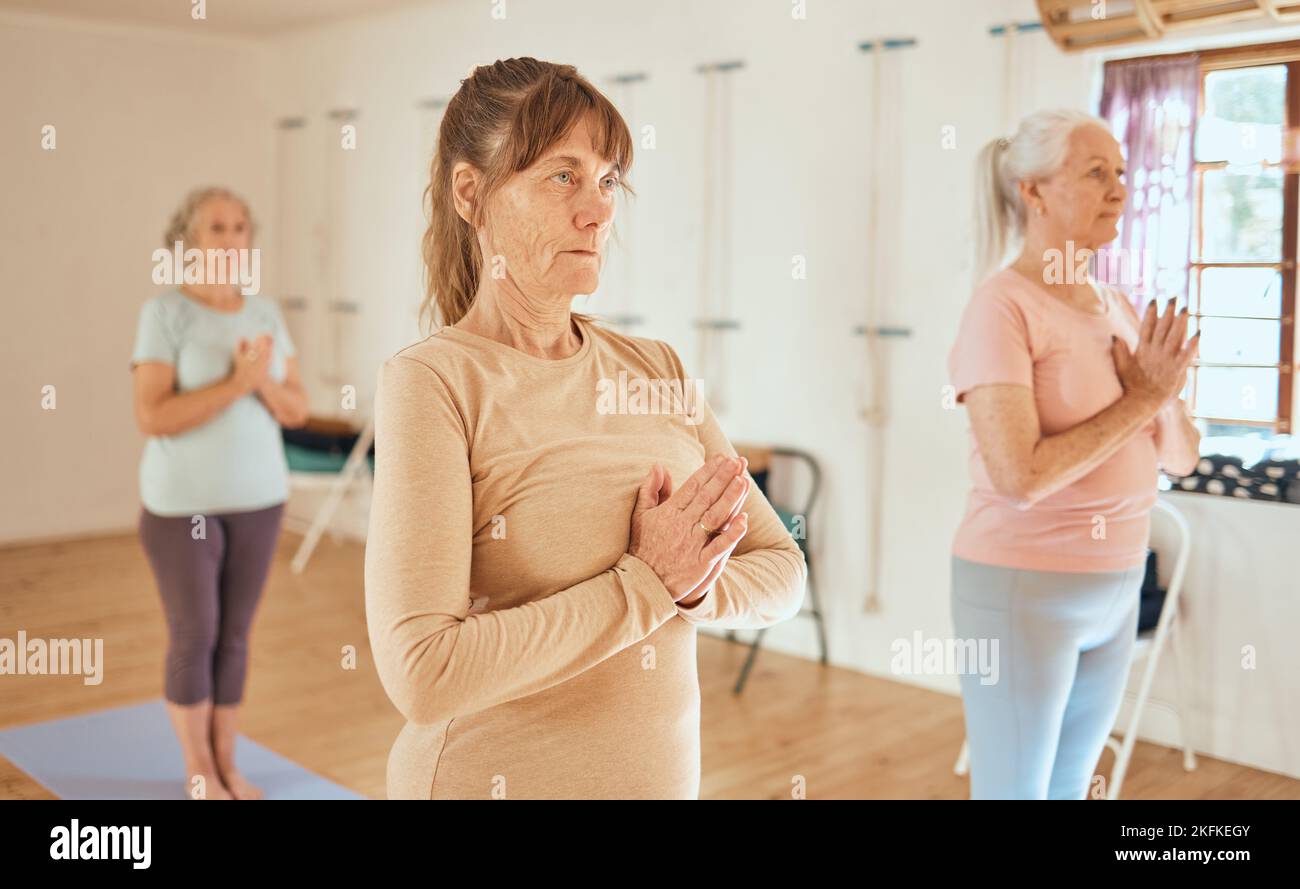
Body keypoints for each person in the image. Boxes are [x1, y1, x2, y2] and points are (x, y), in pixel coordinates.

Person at [364, 58, 807, 799]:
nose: (598, 211)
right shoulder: (434, 382)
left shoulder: (655, 366)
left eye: (607, 180)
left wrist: (692, 589)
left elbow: (781, 570)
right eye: (562, 176)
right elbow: (424, 671)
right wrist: (646, 585)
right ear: (471, 193)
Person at [947, 109, 1201, 799]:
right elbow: (1019, 477)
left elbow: (1181, 457)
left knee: (1070, 790)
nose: (1119, 188)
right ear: (1033, 191)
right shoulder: (1002, 307)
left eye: (1121, 172)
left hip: (1117, 584)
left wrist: (1163, 394)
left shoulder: (1116, 304)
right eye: (1096, 173)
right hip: (1022, 589)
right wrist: (1144, 398)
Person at [130, 186, 309, 799]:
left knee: (235, 635)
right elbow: (152, 416)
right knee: (196, 631)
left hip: (260, 501)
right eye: (216, 228)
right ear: (187, 241)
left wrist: (260, 386)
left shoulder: (265, 314)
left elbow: (297, 407)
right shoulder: (165, 314)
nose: (231, 239)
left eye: (239, 227)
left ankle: (230, 763)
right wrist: (236, 383)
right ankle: (198, 768)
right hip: (183, 508)